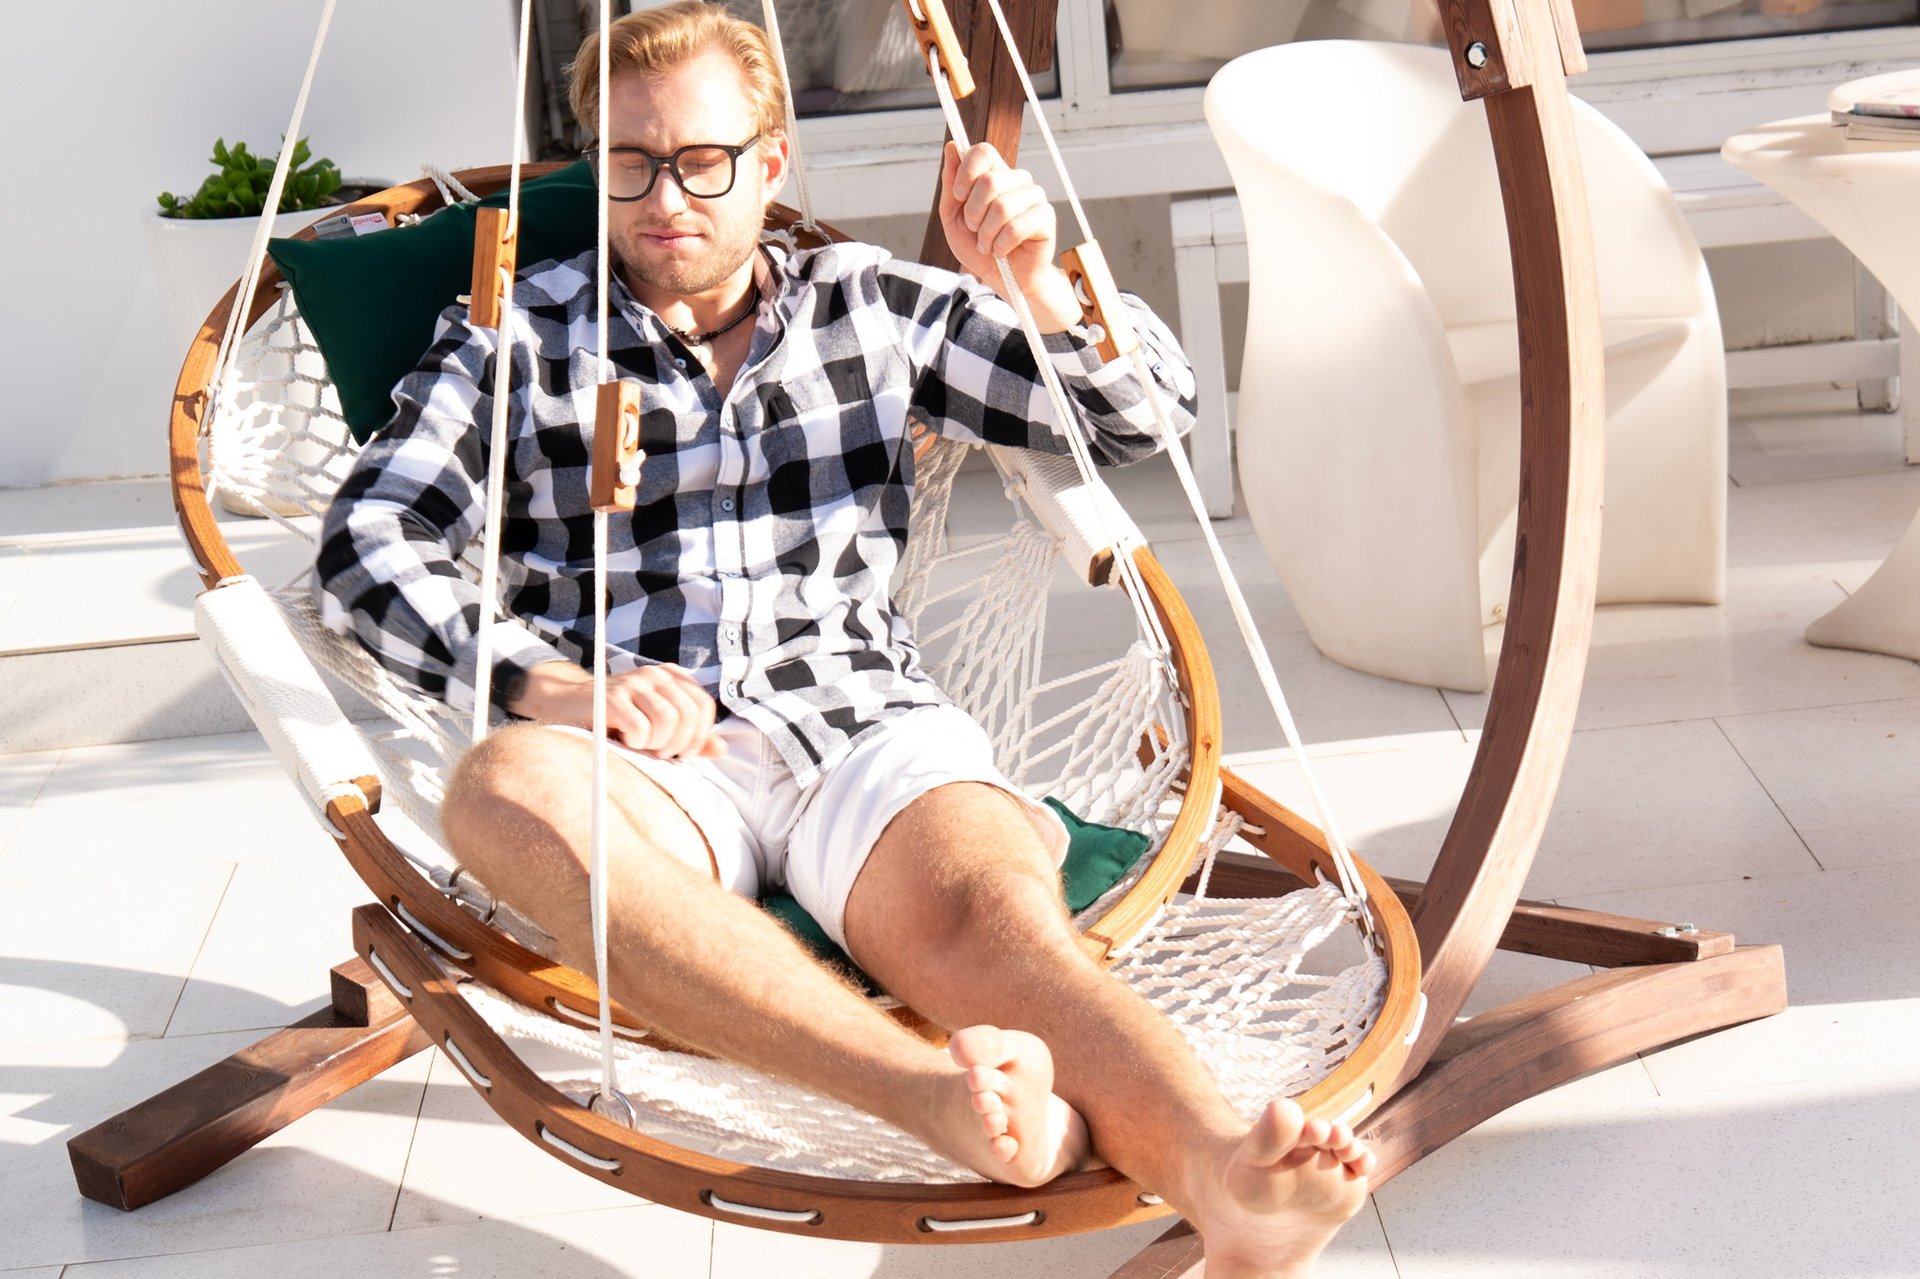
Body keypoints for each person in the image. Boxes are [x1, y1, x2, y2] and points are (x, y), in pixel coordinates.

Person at [315, 4, 1373, 1274]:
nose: (665, 200)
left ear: (769, 162)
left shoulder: (871, 305)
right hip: (649, 747)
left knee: (990, 919)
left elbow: (1143, 419)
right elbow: (367, 538)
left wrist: (1036, 286)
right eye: (631, 163)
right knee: (500, 794)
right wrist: (540, 677)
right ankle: (927, 1093)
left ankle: (1226, 1175)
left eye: (701, 161)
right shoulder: (517, 332)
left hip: (858, 718)